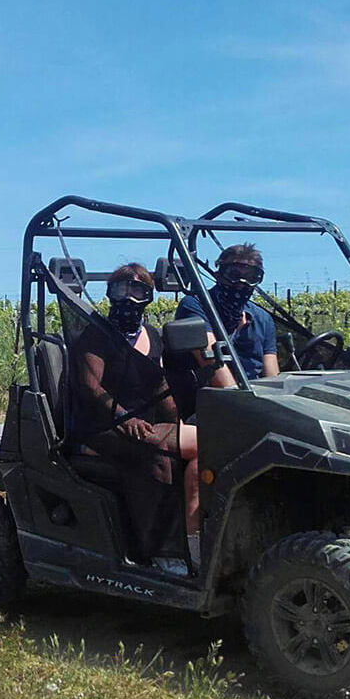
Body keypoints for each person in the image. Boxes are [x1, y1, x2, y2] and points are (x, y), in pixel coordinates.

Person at [68, 263, 201, 571]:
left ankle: (195, 541)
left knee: (209, 446)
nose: (128, 299)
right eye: (121, 290)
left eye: (137, 291)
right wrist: (124, 418)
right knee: (159, 455)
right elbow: (90, 388)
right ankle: (161, 552)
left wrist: (178, 421)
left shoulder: (152, 336)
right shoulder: (96, 335)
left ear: (148, 297)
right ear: (109, 294)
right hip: (101, 427)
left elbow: (160, 385)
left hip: (145, 423)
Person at [175, 243, 279, 385]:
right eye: (234, 275)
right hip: (210, 394)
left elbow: (272, 377)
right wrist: (241, 397)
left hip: (256, 393)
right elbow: (213, 365)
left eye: (251, 277)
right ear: (218, 276)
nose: (241, 283)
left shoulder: (263, 319)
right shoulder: (196, 306)